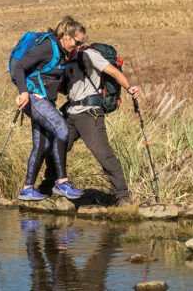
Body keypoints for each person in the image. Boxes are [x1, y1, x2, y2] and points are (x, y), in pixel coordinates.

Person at [41, 42, 140, 207]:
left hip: (89, 113)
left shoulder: (89, 54)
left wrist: (129, 87)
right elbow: (66, 90)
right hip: (70, 113)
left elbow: (113, 72)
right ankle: (48, 188)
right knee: (54, 148)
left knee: (104, 155)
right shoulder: (66, 60)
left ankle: (123, 197)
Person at [11, 16, 85, 201]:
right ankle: (62, 182)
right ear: (67, 35)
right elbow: (18, 66)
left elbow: (49, 76)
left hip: (45, 101)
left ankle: (27, 189)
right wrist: (23, 92)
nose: (76, 46)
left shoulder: (62, 52)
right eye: (76, 42)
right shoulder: (47, 47)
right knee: (61, 128)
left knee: (42, 144)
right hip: (35, 99)